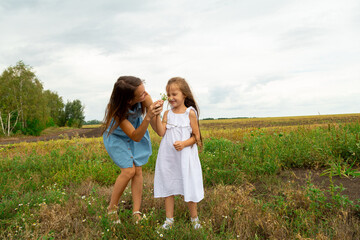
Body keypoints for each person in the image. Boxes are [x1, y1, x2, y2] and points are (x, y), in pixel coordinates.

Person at [102, 76, 164, 223]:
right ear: (129, 100)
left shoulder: (145, 97)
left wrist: (157, 114)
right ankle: (111, 209)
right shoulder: (117, 111)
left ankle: (136, 212)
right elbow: (135, 136)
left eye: (144, 90)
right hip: (118, 137)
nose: (145, 95)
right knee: (129, 170)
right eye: (141, 94)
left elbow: (158, 130)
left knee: (138, 170)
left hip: (137, 130)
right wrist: (148, 116)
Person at [154, 77, 204, 229]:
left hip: (185, 156)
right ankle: (169, 220)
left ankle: (194, 219)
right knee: (169, 185)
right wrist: (156, 114)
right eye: (168, 95)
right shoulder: (167, 114)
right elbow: (162, 132)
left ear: (184, 95)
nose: (170, 98)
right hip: (169, 157)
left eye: (174, 94)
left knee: (188, 183)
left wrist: (184, 143)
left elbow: (196, 137)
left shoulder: (190, 113)